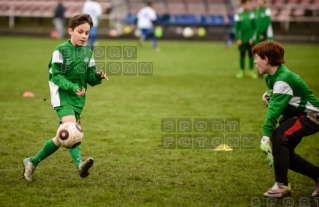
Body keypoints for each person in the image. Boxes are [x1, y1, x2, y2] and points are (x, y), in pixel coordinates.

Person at [22, 14, 107, 181]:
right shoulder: (60, 50)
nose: (84, 36)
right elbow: (56, 76)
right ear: (70, 31)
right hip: (61, 95)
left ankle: (31, 162)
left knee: (63, 137)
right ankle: (80, 164)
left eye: (87, 33)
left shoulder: (88, 53)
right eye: (80, 31)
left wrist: (98, 76)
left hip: (78, 98)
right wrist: (73, 87)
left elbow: (90, 78)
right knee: (71, 128)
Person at [254, 41, 319, 198]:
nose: (255, 62)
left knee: (279, 136)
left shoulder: (283, 79)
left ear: (266, 59)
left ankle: (281, 186)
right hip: (295, 115)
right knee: (284, 154)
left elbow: (274, 111)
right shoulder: (271, 76)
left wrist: (265, 136)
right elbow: (277, 99)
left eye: (256, 58)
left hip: (313, 116)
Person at [234, 0, 257, 79]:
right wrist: (238, 38)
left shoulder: (252, 15)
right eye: (245, 4)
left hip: (250, 39)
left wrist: (252, 38)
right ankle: (241, 71)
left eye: (248, 4)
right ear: (242, 5)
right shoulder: (239, 15)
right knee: (242, 54)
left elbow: (254, 28)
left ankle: (251, 71)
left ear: (250, 5)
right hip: (242, 39)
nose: (246, 6)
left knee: (251, 55)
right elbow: (237, 28)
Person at [253, 0, 273, 78]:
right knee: (258, 54)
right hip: (258, 36)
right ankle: (260, 73)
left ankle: (269, 72)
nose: (258, 2)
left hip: (266, 36)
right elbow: (255, 25)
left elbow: (267, 22)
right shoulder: (256, 11)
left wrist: (262, 33)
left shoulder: (266, 10)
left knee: (267, 54)